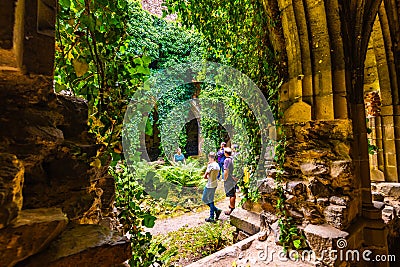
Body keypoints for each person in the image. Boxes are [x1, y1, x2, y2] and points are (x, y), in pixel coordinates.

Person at [202, 152, 222, 222]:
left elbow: (205, 176)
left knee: (204, 199)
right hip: (215, 184)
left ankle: (216, 210)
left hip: (209, 185)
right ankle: (212, 217)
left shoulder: (210, 165)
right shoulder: (217, 165)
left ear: (210, 157)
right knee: (211, 200)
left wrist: (206, 175)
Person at [223, 147, 236, 215]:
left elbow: (226, 171)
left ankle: (231, 209)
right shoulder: (232, 159)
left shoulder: (227, 160)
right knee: (233, 193)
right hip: (233, 179)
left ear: (225, 153)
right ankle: (232, 207)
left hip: (229, 179)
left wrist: (224, 179)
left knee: (231, 194)